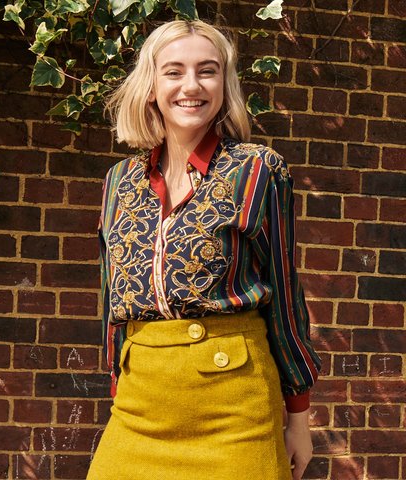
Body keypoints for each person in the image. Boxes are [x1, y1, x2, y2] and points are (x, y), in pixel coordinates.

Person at [88, 19, 321, 480]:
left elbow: (285, 294)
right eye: (174, 71)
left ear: (224, 84)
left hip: (234, 409)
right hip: (140, 408)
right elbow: (110, 296)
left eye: (207, 71)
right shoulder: (120, 179)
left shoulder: (256, 169)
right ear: (151, 86)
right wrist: (119, 385)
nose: (191, 85)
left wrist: (298, 418)